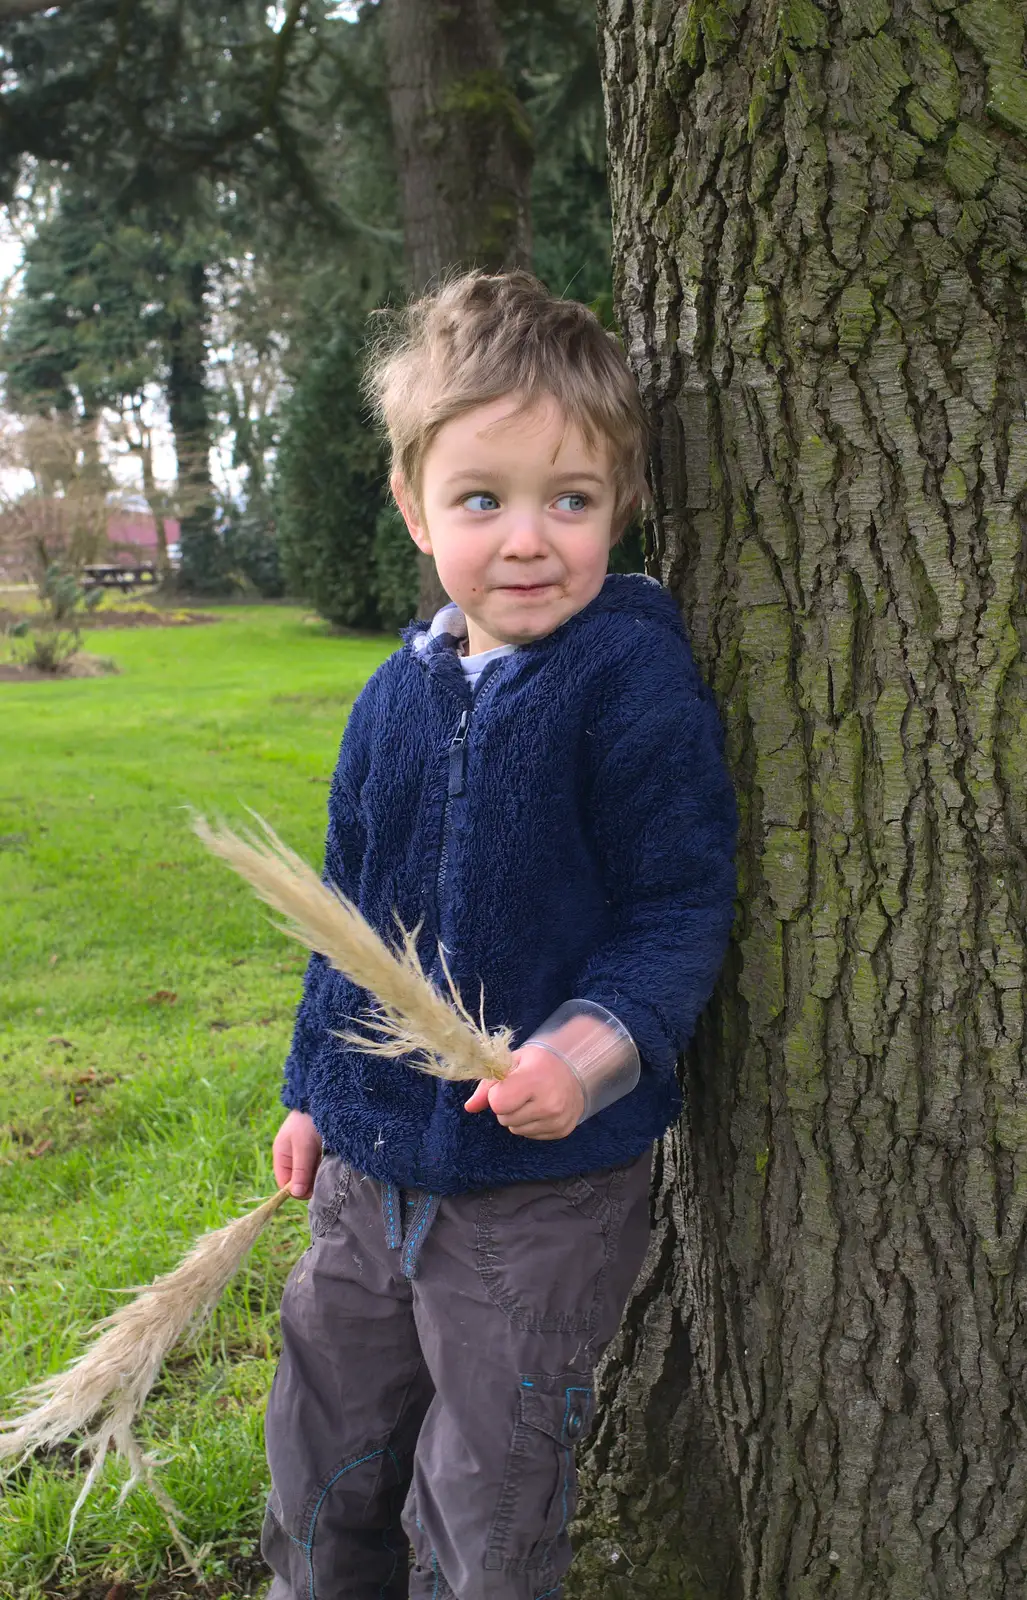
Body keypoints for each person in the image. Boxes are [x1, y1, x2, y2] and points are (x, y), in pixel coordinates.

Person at [262, 270, 737, 1600]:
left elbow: (674, 908)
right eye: (483, 499)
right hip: (364, 1187)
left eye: (568, 501)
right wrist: (315, 1093)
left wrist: (580, 1059)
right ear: (414, 507)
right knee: (326, 1453)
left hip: (538, 1204)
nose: (528, 539)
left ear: (619, 506)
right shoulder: (390, 700)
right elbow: (346, 924)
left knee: (488, 1489)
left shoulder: (627, 680)